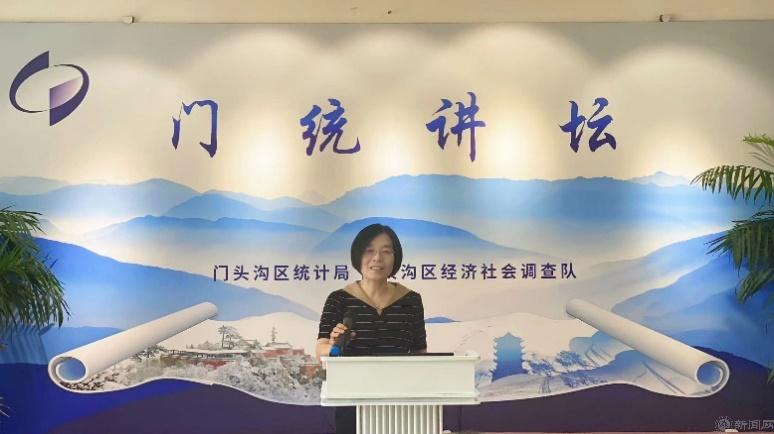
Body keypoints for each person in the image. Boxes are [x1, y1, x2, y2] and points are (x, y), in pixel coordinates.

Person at [316, 223, 427, 434]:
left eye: (386, 251)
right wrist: (334, 345)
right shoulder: (339, 299)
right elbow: (320, 349)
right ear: (358, 256)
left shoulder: (411, 300)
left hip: (400, 401)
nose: (377, 258)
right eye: (369, 250)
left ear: (395, 257)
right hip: (352, 400)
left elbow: (420, 351)